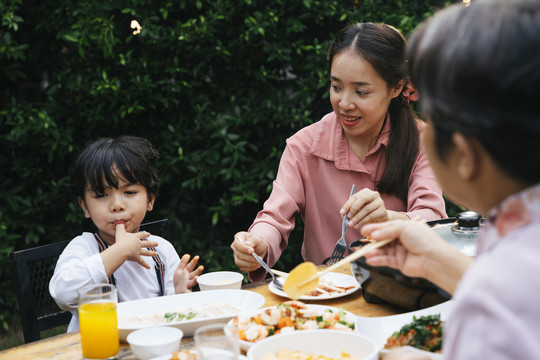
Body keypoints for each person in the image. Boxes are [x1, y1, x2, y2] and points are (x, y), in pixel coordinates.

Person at [361, 1, 540, 359]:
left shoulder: (487, 307)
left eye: (430, 113)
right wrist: (435, 261)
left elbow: (500, 303)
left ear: (462, 155)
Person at [231, 22, 447, 281]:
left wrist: (388, 218)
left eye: (361, 91)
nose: (344, 103)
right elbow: (275, 217)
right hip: (324, 297)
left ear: (397, 88)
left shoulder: (422, 141)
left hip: (400, 292)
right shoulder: (303, 147)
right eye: (336, 87)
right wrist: (257, 243)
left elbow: (433, 220)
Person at [50, 136, 204, 332]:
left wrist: (181, 293)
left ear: (150, 200)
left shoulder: (161, 251)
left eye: (129, 192)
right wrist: (120, 251)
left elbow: (171, 318)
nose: (117, 205)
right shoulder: (84, 247)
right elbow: (63, 294)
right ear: (84, 206)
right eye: (101, 195)